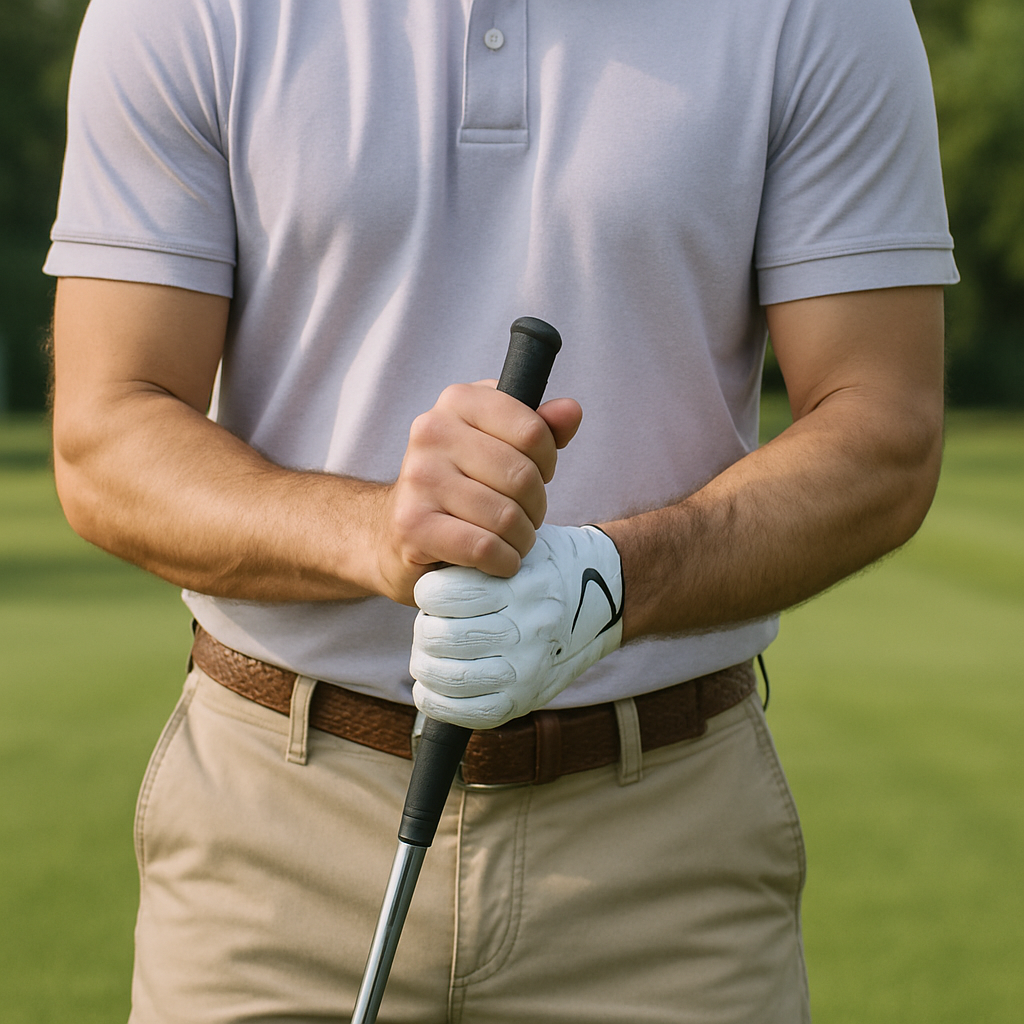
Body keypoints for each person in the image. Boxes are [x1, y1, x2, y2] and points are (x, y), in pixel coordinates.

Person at [45, 0, 957, 1020]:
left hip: (663, 860)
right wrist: (379, 532)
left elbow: (884, 432)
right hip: (272, 839)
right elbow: (106, 435)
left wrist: (609, 584)